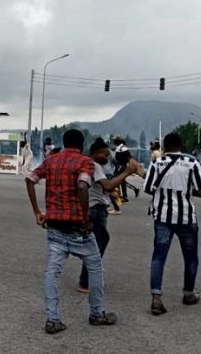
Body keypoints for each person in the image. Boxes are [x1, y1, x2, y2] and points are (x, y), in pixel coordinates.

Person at [25, 129, 117, 334]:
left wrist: (37, 211)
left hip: (55, 227)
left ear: (64, 143)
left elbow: (30, 179)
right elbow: (83, 186)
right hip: (78, 229)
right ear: (82, 145)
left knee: (52, 271)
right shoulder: (84, 162)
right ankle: (96, 313)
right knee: (94, 267)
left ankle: (52, 319)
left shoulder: (51, 161)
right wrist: (85, 218)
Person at [143, 132, 201, 315]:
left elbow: (148, 188)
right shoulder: (192, 162)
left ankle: (156, 298)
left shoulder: (156, 162)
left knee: (159, 256)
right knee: (191, 256)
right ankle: (188, 294)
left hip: (162, 217)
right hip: (186, 217)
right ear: (181, 144)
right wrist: (186, 191)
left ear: (165, 145)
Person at [76, 138, 140, 293]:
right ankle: (85, 281)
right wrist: (128, 172)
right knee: (97, 243)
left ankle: (86, 276)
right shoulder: (95, 165)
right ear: (95, 153)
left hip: (94, 208)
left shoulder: (87, 164)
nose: (107, 157)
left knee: (98, 241)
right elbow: (108, 185)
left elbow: (105, 187)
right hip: (95, 209)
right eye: (104, 155)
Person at [113, 137, 139, 203]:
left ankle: (119, 196)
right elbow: (129, 157)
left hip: (120, 166)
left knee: (116, 180)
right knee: (122, 181)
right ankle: (125, 196)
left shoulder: (120, 148)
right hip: (123, 166)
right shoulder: (122, 148)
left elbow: (118, 158)